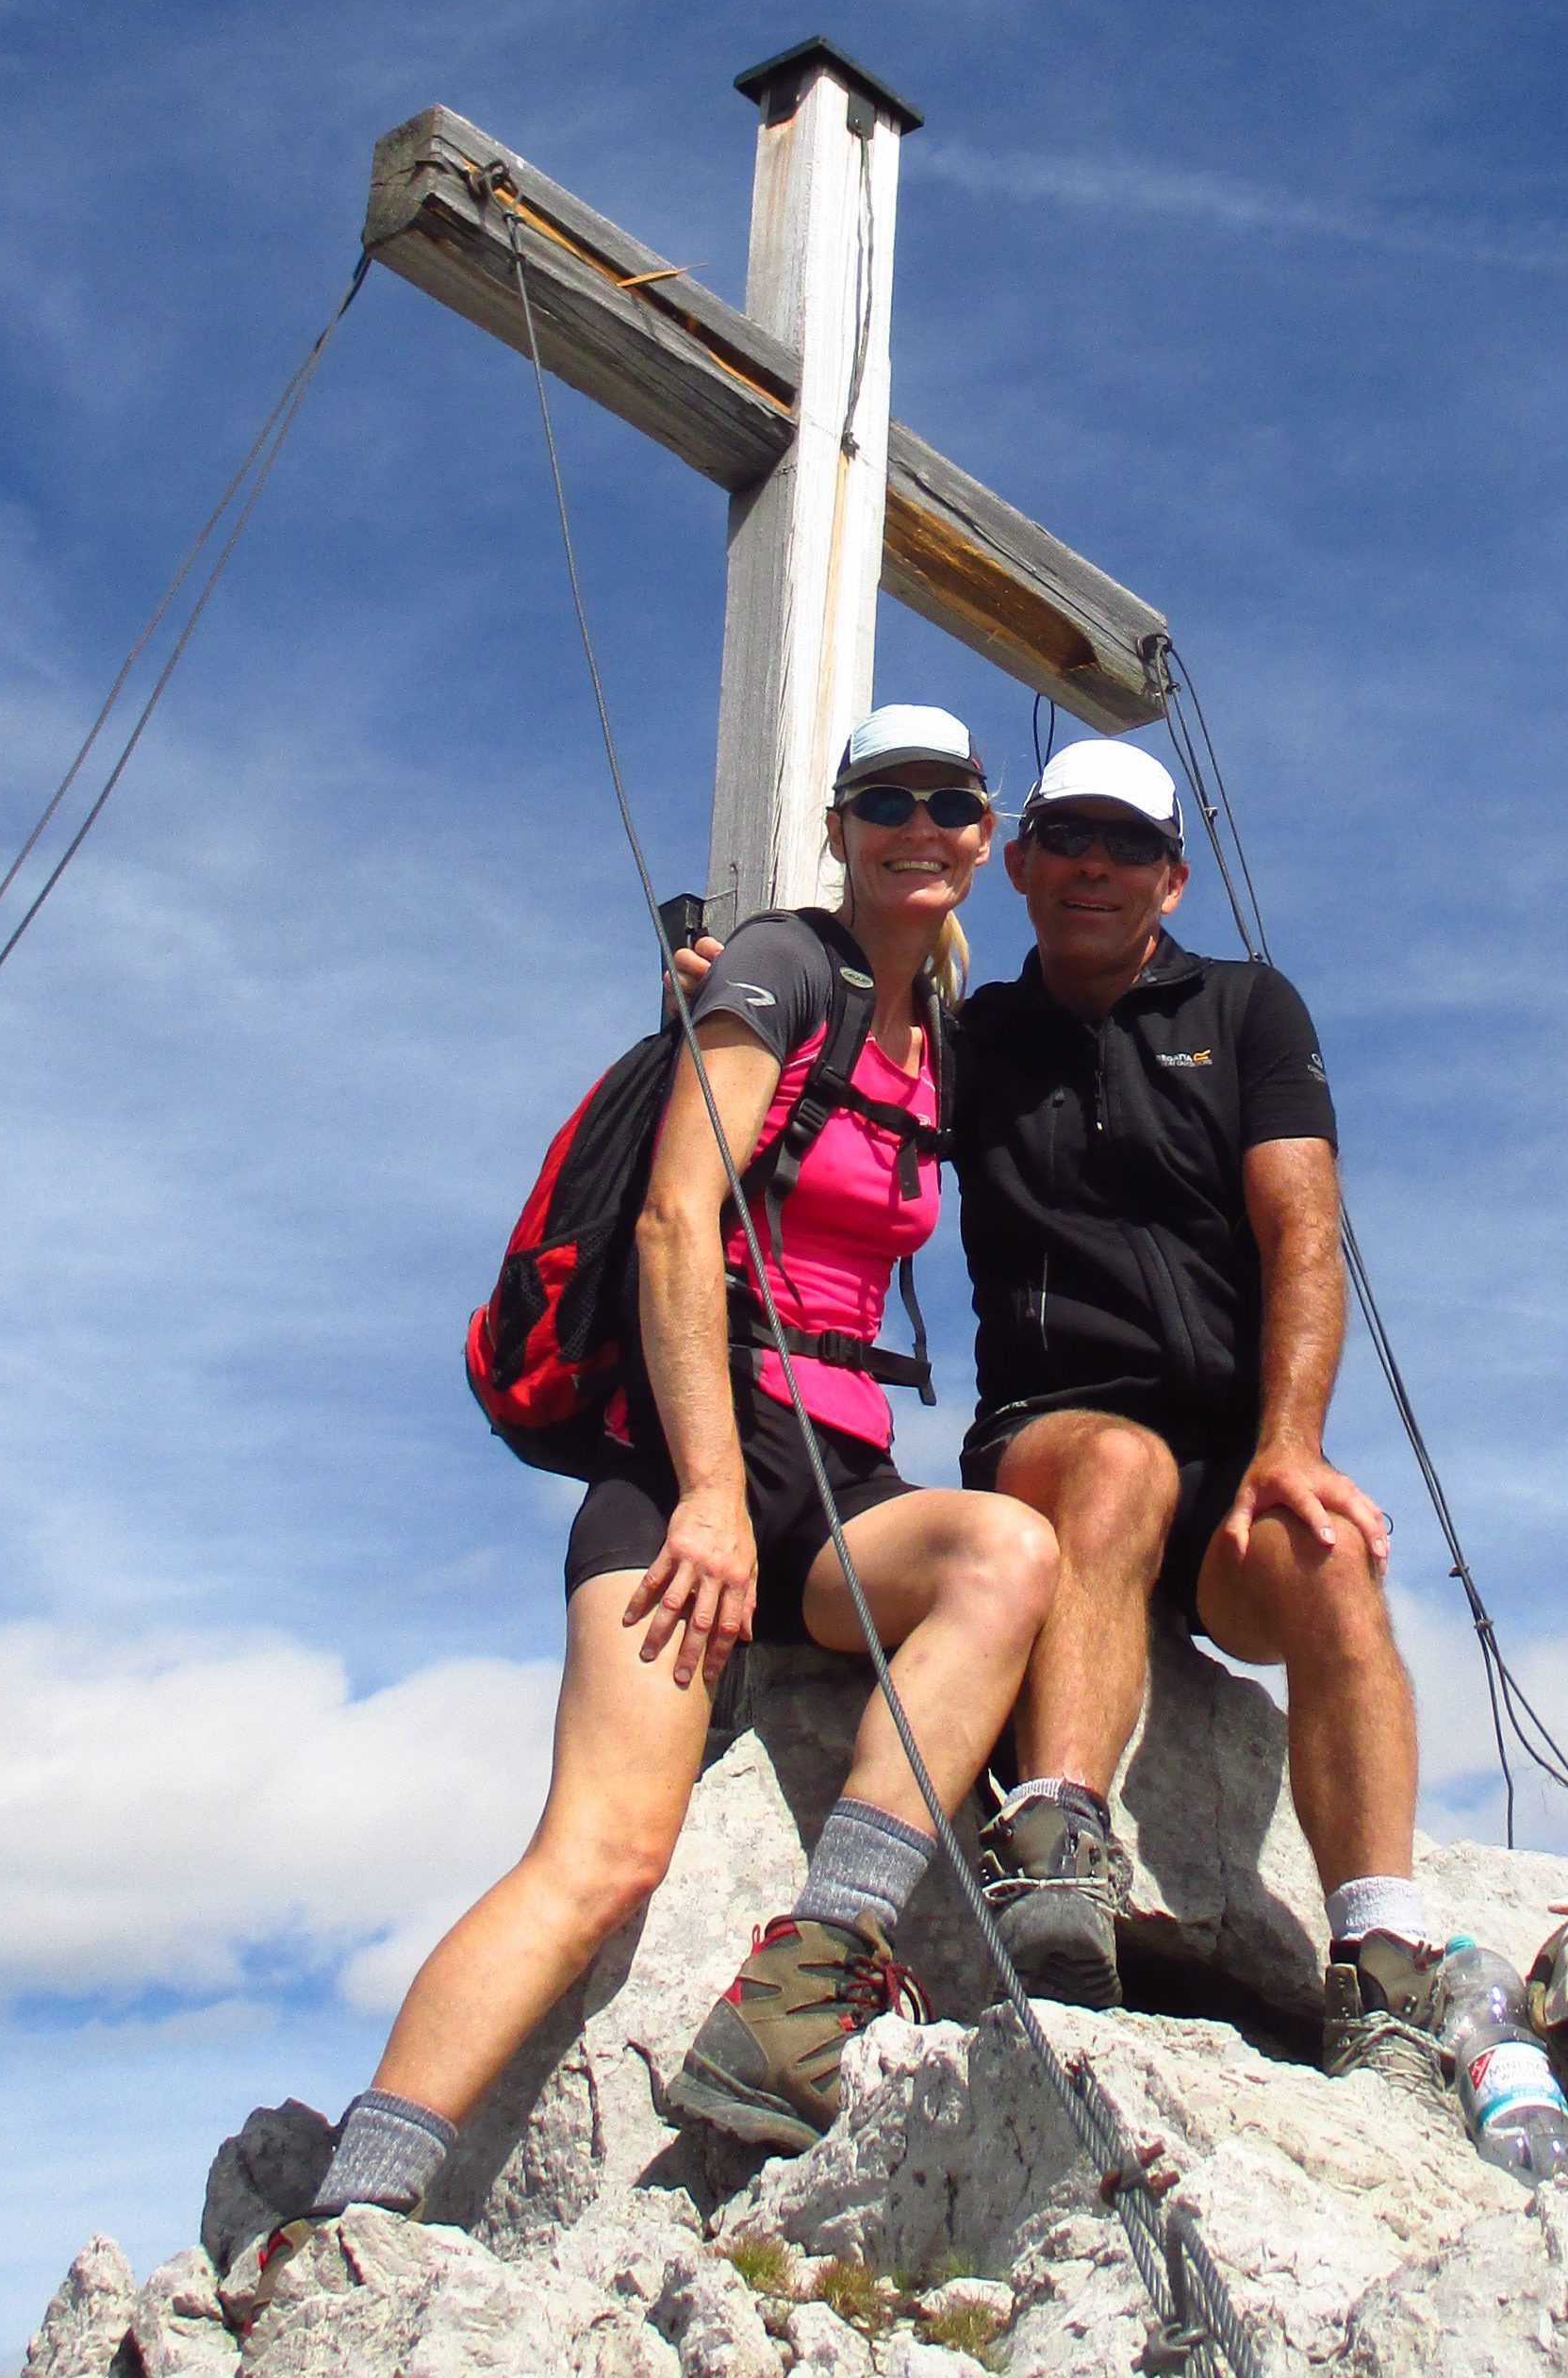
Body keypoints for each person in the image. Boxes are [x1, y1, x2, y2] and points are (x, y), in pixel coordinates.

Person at [298, 705, 1057, 2224]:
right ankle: (352, 2211)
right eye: (887, 802)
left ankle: (810, 1969)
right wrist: (710, 1491)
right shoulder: (782, 970)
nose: (922, 826)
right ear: (843, 829)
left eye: (953, 804)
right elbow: (670, 1223)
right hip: (689, 1455)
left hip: (844, 1477)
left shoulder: (948, 1047)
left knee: (1007, 1553)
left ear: (986, 837)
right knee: (603, 1852)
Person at [953, 737, 1444, 2107]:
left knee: (1332, 1560)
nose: (1094, 868)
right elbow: (827, 1076)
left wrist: (1289, 1445)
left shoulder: (1246, 1008)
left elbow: (1302, 1226)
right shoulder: (971, 1037)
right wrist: (725, 995)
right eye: (1068, 840)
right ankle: (1059, 1843)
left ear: (1171, 877)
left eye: (1125, 846)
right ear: (1024, 865)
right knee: (1116, 1464)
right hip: (1057, 1431)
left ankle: (1383, 1958)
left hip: (1232, 1454)